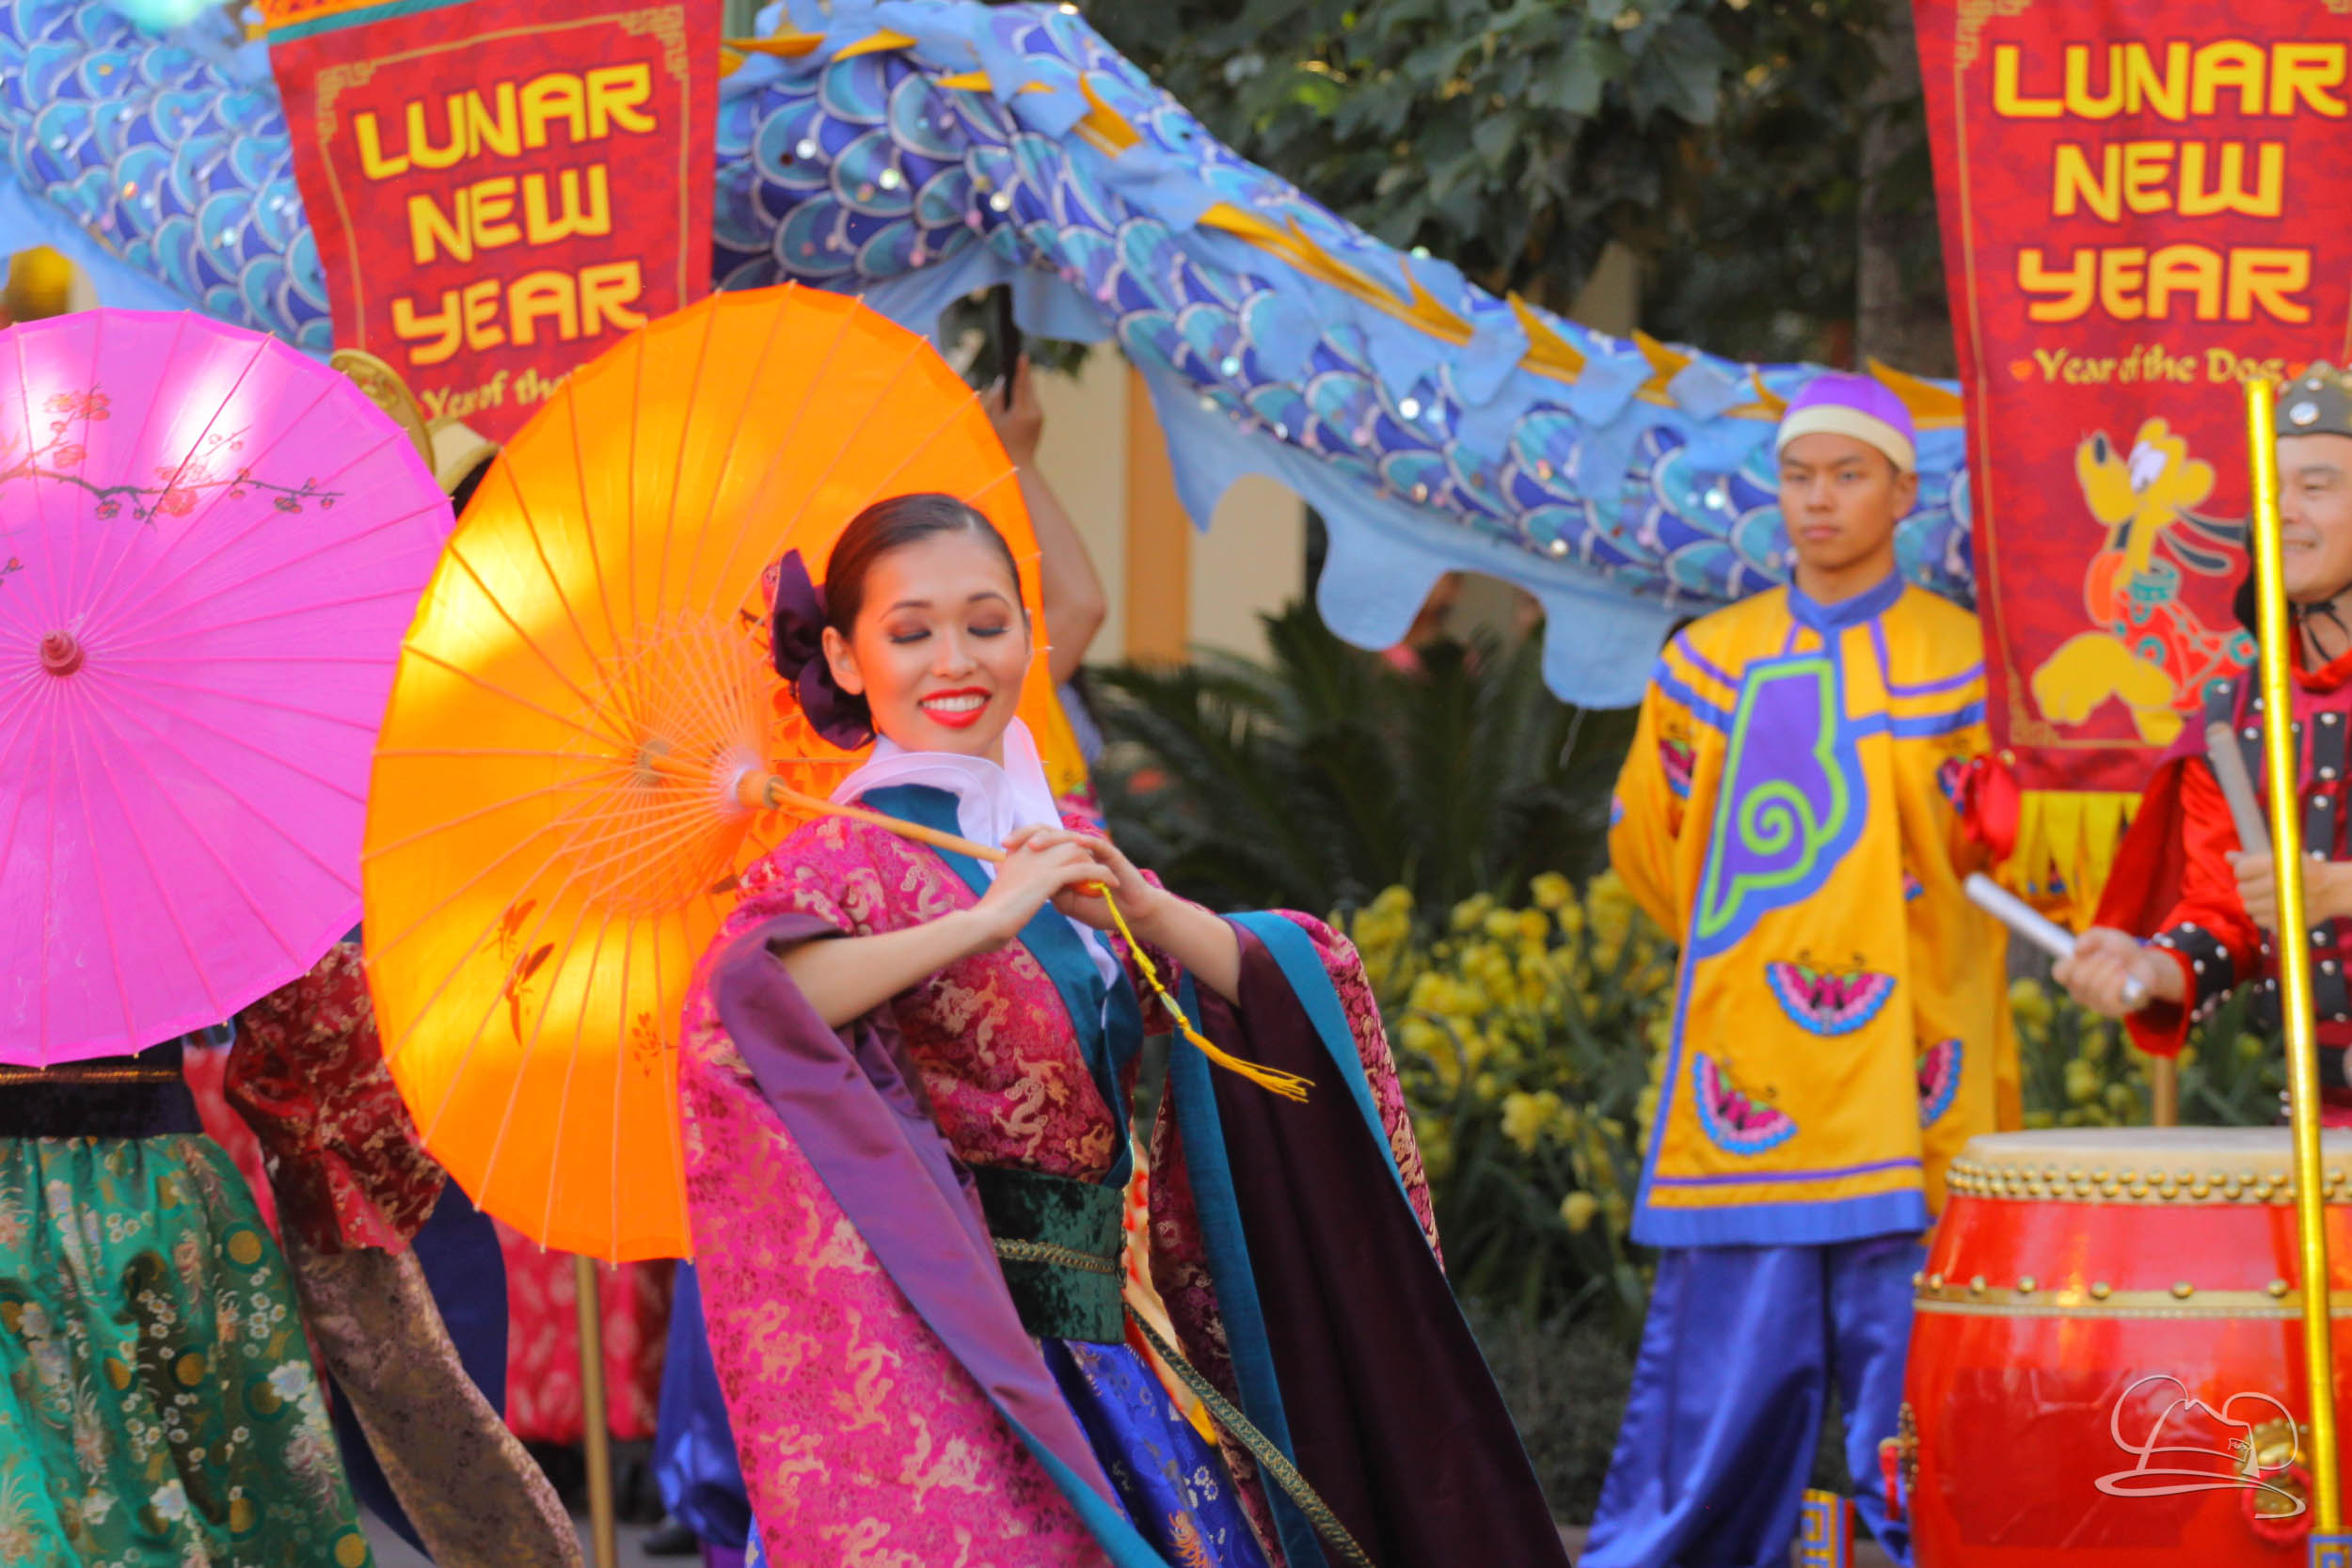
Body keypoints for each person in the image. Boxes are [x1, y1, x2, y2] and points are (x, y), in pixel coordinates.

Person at [676, 493, 1572, 1567]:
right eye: (910, 632)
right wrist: (983, 920)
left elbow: (1268, 976)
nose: (955, 659)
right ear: (846, 655)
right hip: (967, 1355)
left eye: (987, 622)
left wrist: (1145, 913)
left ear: (1028, 629)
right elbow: (750, 1005)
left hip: (1112, 1340)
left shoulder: (1054, 830)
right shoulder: (835, 858)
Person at [1590, 373, 2019, 1568]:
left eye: (1848, 474)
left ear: (1901, 491)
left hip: (1919, 1062)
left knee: (1925, 1380)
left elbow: (2019, 852)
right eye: (1798, 474)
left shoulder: (1967, 662)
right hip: (1757, 1071)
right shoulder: (1707, 663)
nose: (1818, 499)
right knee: (1726, 1388)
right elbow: (1648, 847)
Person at [2058, 364, 2352, 1115]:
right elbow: (2226, 906)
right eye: (2271, 488)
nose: (2282, 511)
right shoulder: (2237, 713)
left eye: (2315, 488)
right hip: (2316, 1120)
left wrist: (2336, 889)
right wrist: (2152, 965)